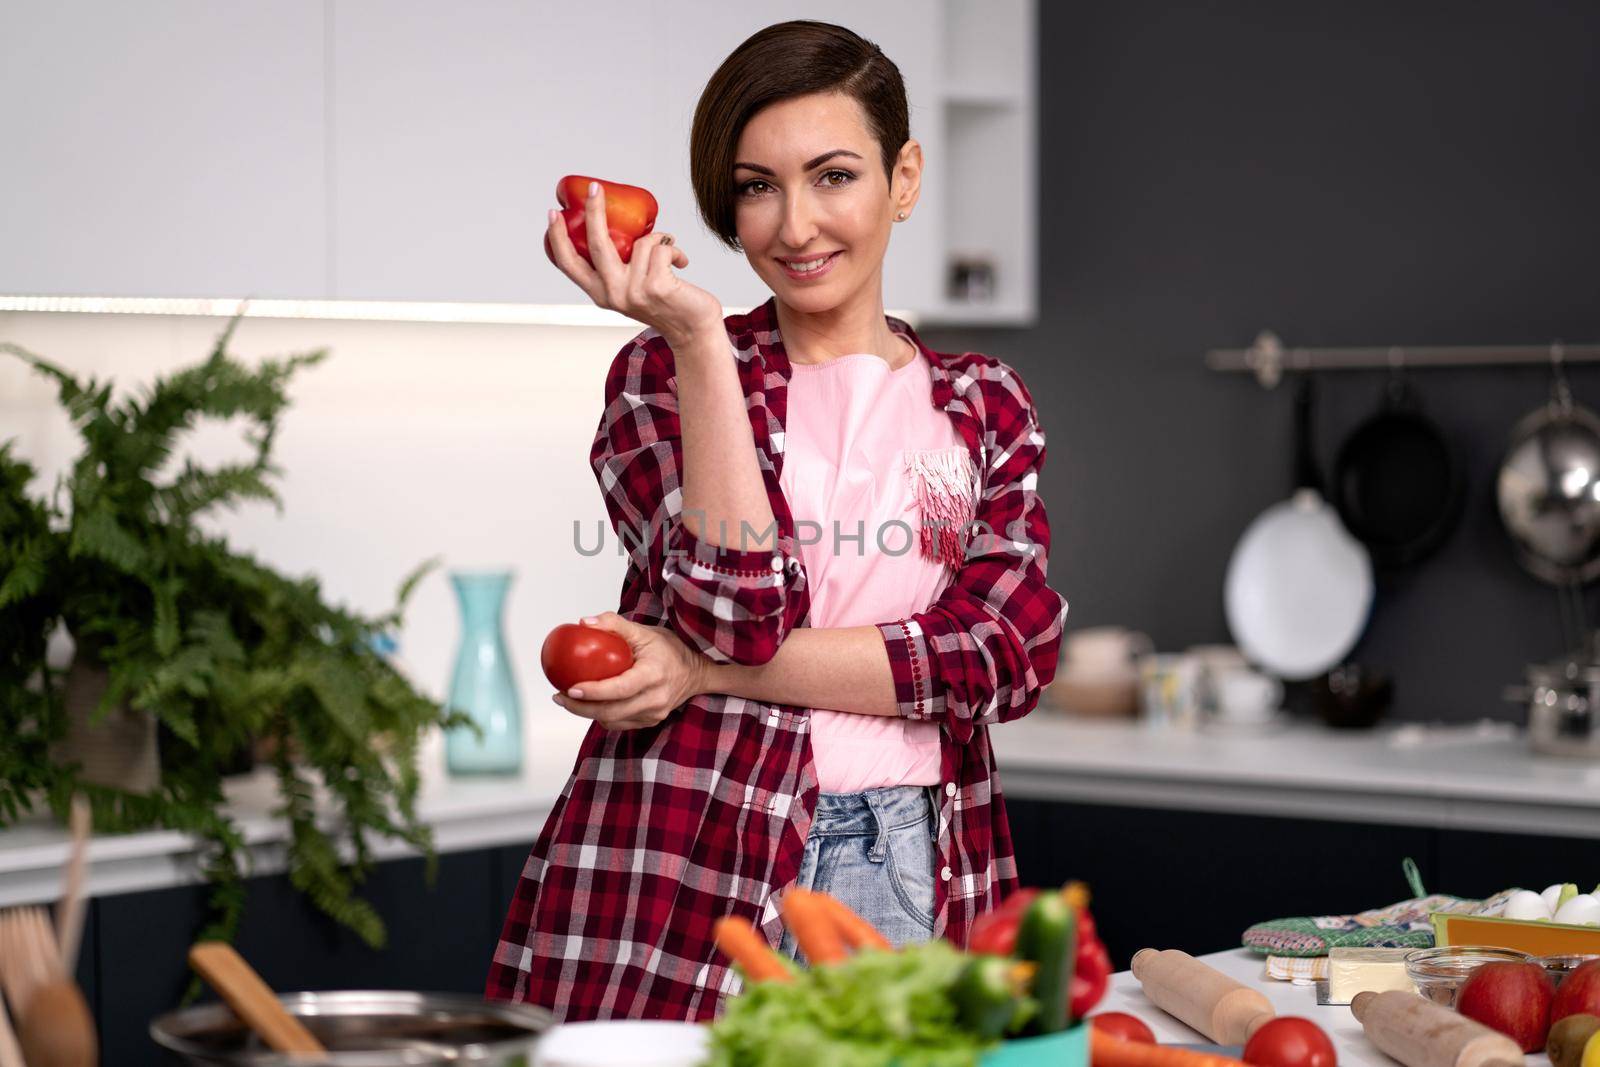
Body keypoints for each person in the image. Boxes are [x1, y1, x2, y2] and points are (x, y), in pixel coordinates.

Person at [485, 19, 1069, 1022]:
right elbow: (736, 606)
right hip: (693, 849)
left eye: (833, 175)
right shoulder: (661, 378)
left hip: (916, 851)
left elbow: (999, 656)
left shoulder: (980, 403)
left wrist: (700, 670)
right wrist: (699, 336)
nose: (794, 225)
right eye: (757, 186)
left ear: (904, 178)